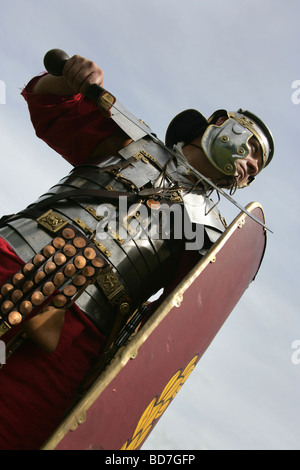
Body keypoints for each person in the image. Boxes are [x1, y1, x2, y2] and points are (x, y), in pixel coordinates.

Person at [0, 54, 274, 450]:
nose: (250, 165)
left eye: (257, 167)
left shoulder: (209, 238)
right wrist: (70, 80)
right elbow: (53, 105)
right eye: (251, 149)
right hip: (13, 253)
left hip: (77, 335)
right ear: (222, 125)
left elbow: (178, 319)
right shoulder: (129, 140)